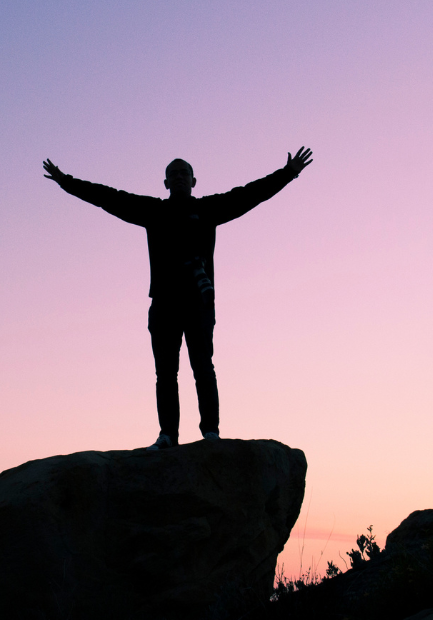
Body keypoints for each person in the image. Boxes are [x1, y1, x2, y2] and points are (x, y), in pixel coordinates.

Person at [43, 148, 313, 450]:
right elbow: (109, 197)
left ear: (194, 180)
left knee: (203, 366)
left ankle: (210, 432)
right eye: (174, 174)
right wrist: (65, 181)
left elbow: (249, 195)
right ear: (166, 183)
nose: (179, 177)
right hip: (164, 303)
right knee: (165, 372)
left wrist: (288, 173)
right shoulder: (154, 211)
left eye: (184, 173)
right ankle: (168, 435)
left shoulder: (209, 209)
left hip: (198, 301)